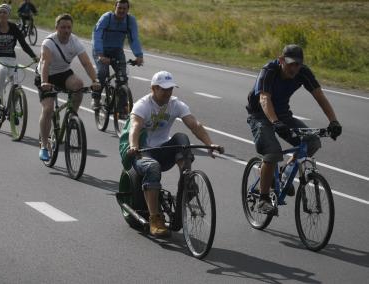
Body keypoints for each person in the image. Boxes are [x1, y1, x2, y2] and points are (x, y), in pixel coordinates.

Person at [121, 71, 224, 237]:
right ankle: (155, 218)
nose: (168, 93)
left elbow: (194, 124)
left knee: (181, 138)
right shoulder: (143, 105)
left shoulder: (175, 104)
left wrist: (209, 144)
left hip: (162, 151)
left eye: (171, 89)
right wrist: (133, 146)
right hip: (141, 152)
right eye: (164, 89)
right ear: (154, 88)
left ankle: (187, 181)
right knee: (153, 167)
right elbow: (135, 127)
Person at [246, 44, 342, 214]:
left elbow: (320, 96)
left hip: (283, 115)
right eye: (291, 63)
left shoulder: (303, 72)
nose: (294, 68)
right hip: (260, 115)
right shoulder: (269, 70)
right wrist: (275, 122)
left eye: (298, 64)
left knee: (312, 142)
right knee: (273, 152)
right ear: (282, 60)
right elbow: (264, 99)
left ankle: (285, 172)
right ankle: (263, 198)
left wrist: (333, 121)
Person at [38, 14, 100, 161]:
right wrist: (44, 83)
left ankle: (73, 116)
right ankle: (44, 145)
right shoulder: (49, 43)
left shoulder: (75, 41)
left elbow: (86, 62)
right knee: (48, 109)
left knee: (78, 85)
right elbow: (45, 64)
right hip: (46, 75)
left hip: (63, 72)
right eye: (63, 27)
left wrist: (94, 80)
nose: (66, 30)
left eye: (69, 27)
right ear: (56, 28)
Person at [0, 4, 38, 110]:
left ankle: (13, 107)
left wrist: (34, 57)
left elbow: (24, 44)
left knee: (17, 80)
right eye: (0, 12)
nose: (2, 14)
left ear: (8, 15)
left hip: (11, 60)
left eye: (5, 12)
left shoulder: (13, 28)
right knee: (2, 71)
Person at [91, 0, 143, 111]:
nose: (121, 11)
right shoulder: (106, 18)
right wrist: (100, 54)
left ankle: (121, 108)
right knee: (102, 72)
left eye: (124, 8)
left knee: (122, 77)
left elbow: (133, 39)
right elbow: (97, 35)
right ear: (115, 7)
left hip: (117, 51)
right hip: (101, 50)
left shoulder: (130, 21)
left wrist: (139, 56)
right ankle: (96, 98)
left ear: (128, 10)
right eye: (119, 8)